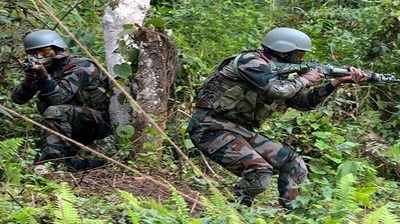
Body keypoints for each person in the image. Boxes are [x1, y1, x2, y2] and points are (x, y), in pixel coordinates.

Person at [188, 27, 367, 209]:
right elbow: (277, 90)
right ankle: (230, 214)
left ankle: (295, 214)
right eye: (298, 55)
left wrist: (335, 83)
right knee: (259, 172)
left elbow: (304, 103)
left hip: (239, 130)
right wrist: (305, 79)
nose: (301, 60)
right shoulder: (250, 61)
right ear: (284, 50)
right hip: (210, 127)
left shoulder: (283, 75)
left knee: (293, 163)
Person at [11, 29, 112, 170]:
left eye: (45, 52)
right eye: (34, 54)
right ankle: (67, 164)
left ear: (57, 49)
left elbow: (59, 98)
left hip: (100, 123)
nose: (39, 57)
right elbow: (18, 99)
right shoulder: (47, 68)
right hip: (73, 125)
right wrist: (29, 80)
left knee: (54, 111)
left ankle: (52, 165)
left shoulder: (82, 66)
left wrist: (44, 76)